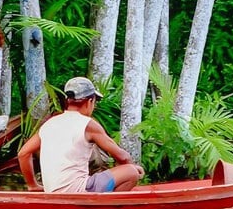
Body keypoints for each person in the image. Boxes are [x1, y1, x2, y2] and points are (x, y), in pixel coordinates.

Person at [17, 77, 145, 193]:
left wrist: (33, 185)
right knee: (131, 171)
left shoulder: (49, 124)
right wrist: (133, 169)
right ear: (90, 101)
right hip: (77, 190)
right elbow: (123, 157)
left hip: (52, 190)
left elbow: (23, 153)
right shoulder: (88, 124)